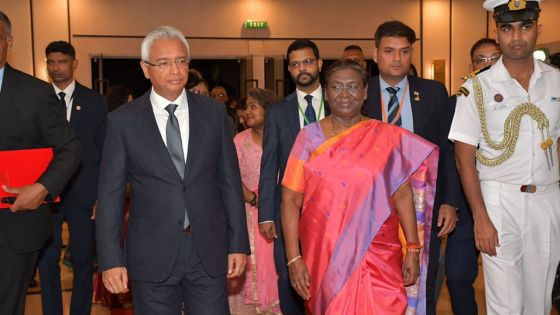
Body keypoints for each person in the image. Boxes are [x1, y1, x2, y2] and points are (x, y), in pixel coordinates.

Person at [96, 25, 250, 315]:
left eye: (181, 61)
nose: (175, 70)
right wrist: (111, 259)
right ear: (145, 69)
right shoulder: (123, 122)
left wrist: (238, 243)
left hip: (209, 250)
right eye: (163, 63)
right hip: (151, 254)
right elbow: (110, 195)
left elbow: (229, 182)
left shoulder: (214, 114)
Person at [281, 59, 439, 314]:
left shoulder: (386, 137)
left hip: (379, 253)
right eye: (337, 87)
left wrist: (412, 247)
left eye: (353, 87)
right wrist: (293, 257)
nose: (345, 94)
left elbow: (402, 193)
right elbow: (290, 199)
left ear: (365, 92)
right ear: (326, 91)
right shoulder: (308, 138)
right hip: (326, 254)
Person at [450, 1, 560, 313]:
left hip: (547, 199)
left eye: (525, 27)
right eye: (507, 28)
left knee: (539, 301)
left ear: (537, 29)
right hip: (499, 200)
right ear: (497, 33)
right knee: (505, 304)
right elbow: (463, 156)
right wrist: (480, 217)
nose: (516, 36)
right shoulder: (477, 87)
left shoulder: (556, 80)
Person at [362, 21, 460, 314]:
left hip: (422, 203)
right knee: (377, 278)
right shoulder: (358, 92)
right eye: (389, 51)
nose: (397, 58)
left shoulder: (433, 92)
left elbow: (448, 149)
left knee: (424, 276)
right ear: (375, 52)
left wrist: (450, 201)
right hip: (371, 202)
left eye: (404, 51)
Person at [0, 11, 81, 315]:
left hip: (13, 223)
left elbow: (70, 149)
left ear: (9, 42)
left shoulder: (35, 93)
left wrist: (42, 187)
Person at [37, 40, 108, 315]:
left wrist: (102, 195)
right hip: (46, 192)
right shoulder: (38, 98)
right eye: (51, 62)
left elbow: (104, 152)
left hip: (84, 192)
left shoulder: (95, 102)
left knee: (82, 260)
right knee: (47, 259)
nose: (56, 68)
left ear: (74, 64)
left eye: (62, 62)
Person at [258, 39, 328, 315]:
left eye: (308, 61)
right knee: (290, 277)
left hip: (331, 207)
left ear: (319, 64)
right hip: (289, 208)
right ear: (289, 69)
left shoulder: (340, 103)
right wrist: (266, 214)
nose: (302, 68)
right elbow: (269, 164)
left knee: (328, 275)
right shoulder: (278, 111)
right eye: (296, 64)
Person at [441, 38, 500, 315]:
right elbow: (450, 156)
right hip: (465, 205)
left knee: (505, 281)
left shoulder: (517, 101)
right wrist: (450, 202)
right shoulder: (457, 102)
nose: (488, 66)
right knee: (457, 275)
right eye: (481, 60)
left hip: (504, 200)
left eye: (494, 59)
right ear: (471, 66)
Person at [229, 88, 280, 314]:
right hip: (248, 215)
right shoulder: (239, 141)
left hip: (277, 214)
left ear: (269, 111)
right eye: (246, 107)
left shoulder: (281, 138)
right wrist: (255, 199)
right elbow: (229, 177)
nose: (246, 112)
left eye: (253, 106)